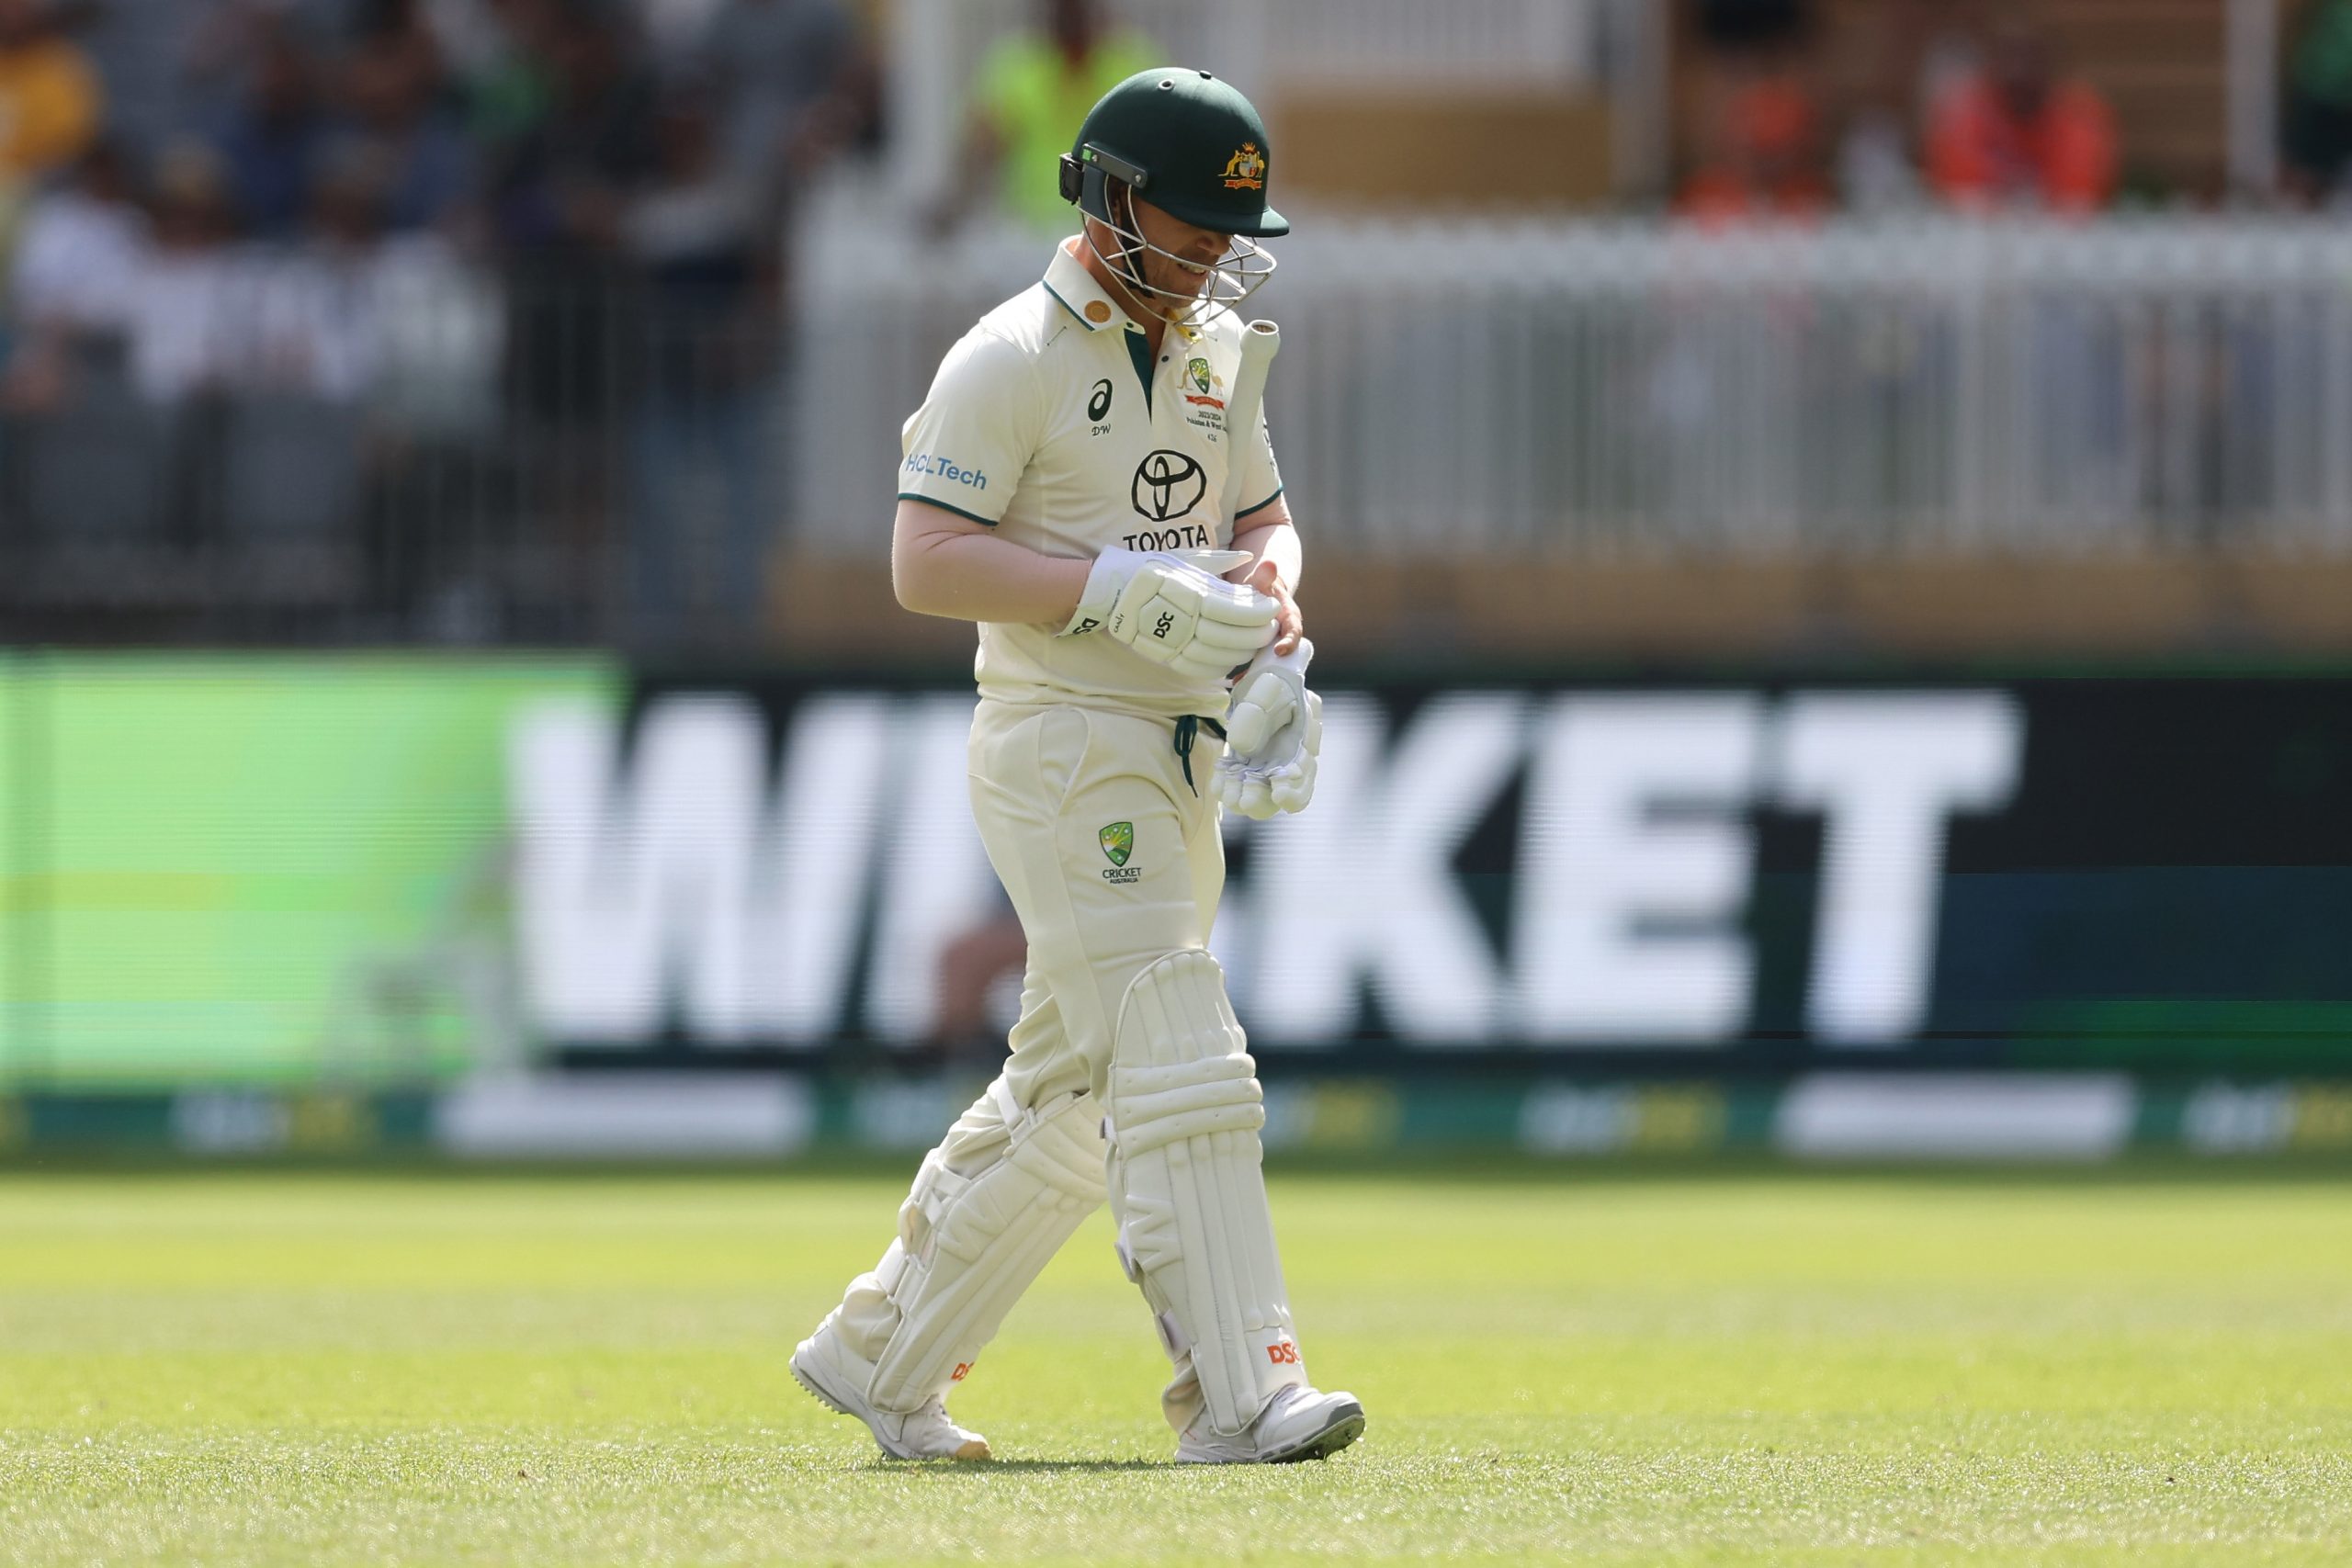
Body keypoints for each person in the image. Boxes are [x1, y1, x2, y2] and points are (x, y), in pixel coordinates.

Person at [790, 69, 1358, 1466]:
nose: (1215, 256)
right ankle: (1239, 1389)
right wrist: (1116, 590)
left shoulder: (1220, 347)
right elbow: (925, 562)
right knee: (1176, 1035)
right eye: (1190, 226)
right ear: (1110, 206)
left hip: (1178, 744)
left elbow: (1266, 517)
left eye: (1233, 233)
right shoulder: (1008, 357)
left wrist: (1271, 610)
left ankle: (882, 1350)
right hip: (1060, 740)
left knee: (1075, 1085)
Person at [930, 0, 1155, 233]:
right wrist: (956, 204)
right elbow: (979, 147)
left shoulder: (1129, 64)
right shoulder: (1018, 66)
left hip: (1112, 230)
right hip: (1030, 231)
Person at [1925, 12, 2116, 214]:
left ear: (2054, 65)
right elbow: (1963, 201)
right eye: (2009, 57)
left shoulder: (2081, 116)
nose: (2019, 72)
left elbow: (2077, 204)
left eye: (2032, 58)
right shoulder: (1961, 114)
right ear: (1990, 63)